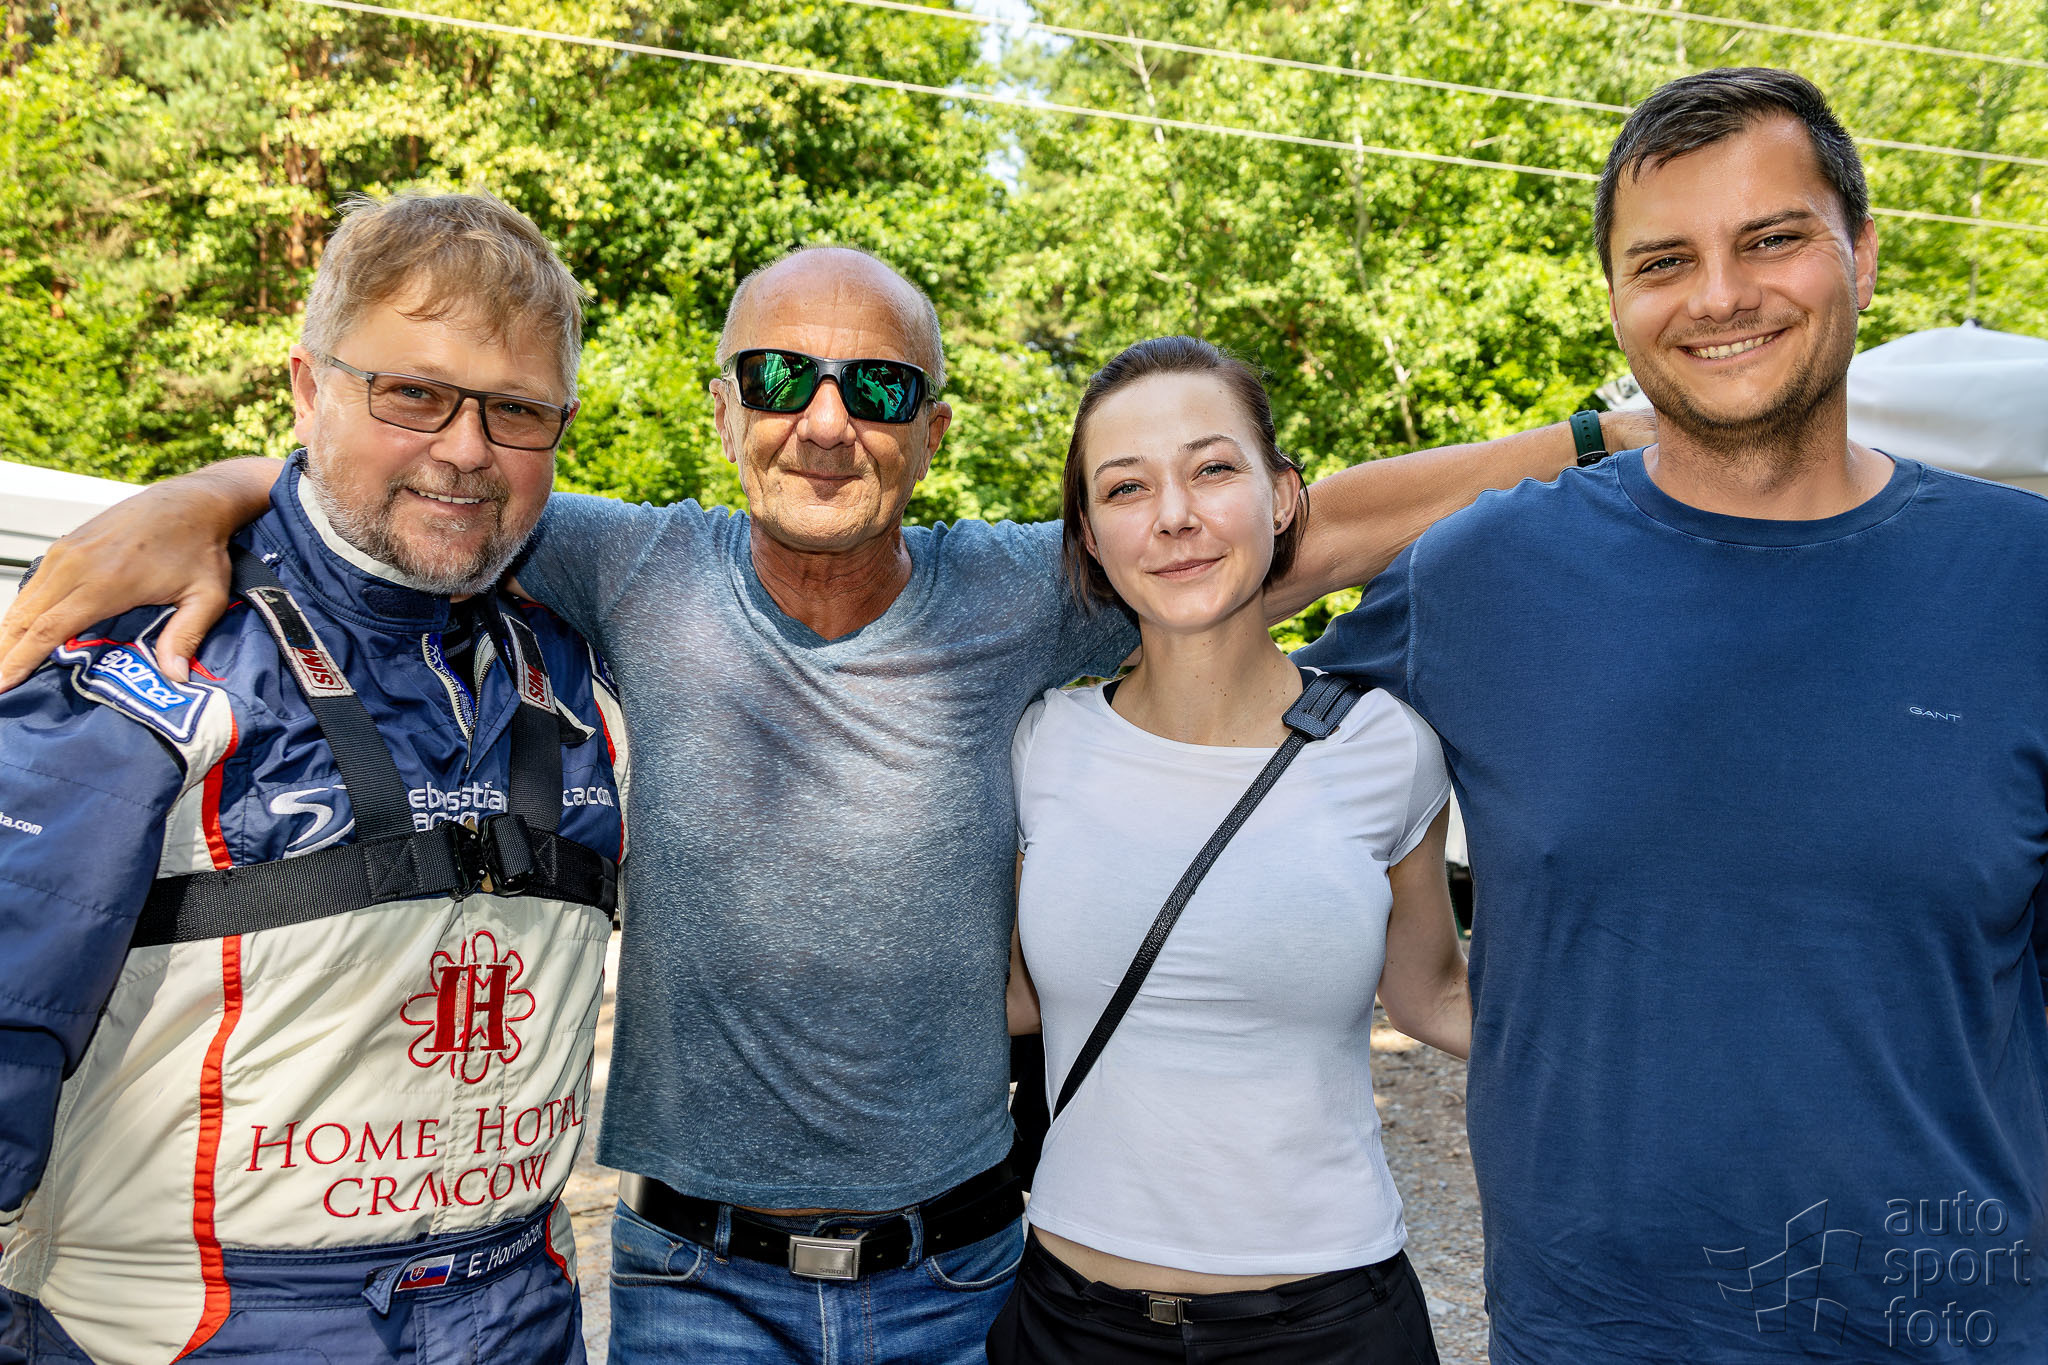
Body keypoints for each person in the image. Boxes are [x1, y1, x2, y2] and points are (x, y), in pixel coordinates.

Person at [0, 243, 1651, 1363]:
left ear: (933, 431)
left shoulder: (1023, 598)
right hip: (689, 1284)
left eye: (875, 390)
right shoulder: (627, 564)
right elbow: (423, 480)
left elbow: (1300, 525)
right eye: (781, 376)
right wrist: (218, 491)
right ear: (723, 407)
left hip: (960, 1282)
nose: (823, 423)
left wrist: (1595, 433)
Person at [1297, 67, 2048, 1363]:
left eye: (1770, 239)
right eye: (1662, 261)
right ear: (1613, 299)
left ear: (1863, 256)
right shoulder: (1479, 577)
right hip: (1597, 1336)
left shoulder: (2022, 579)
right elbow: (1227, 608)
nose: (1717, 295)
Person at [0, 191, 628, 1363]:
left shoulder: (587, 676)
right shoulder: (162, 661)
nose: (465, 449)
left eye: (516, 410)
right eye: (413, 394)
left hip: (521, 1318)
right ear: (306, 388)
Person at [990, 337, 1467, 1364]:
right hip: (1071, 1325)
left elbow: (1432, 997)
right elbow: (1017, 999)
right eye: (1126, 487)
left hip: (1331, 1325)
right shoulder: (1038, 745)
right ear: (1089, 536)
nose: (1173, 516)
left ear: (1282, 496)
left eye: (1211, 469)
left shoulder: (1387, 747)